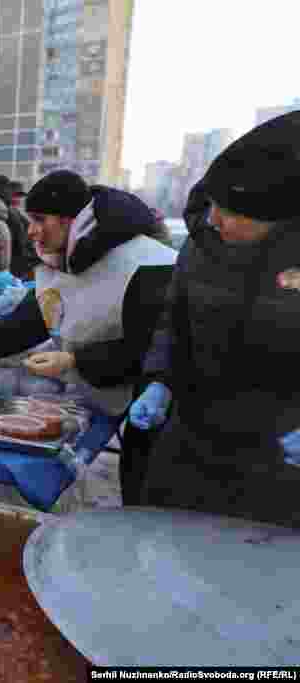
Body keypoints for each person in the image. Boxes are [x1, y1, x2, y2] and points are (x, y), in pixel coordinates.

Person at [0, 170, 178, 504]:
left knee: (146, 491)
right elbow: (31, 319)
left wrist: (75, 360)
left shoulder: (145, 264)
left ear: (74, 221)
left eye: (40, 219)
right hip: (104, 389)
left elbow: (151, 350)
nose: (30, 230)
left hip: (159, 401)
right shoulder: (68, 257)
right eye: (30, 219)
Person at [130, 112, 300, 528]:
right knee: (163, 542)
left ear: (277, 220)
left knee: (254, 574)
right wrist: (160, 380)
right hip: (190, 434)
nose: (212, 219)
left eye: (229, 211)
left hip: (278, 456)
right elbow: (174, 318)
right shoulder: (203, 243)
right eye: (212, 205)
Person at [0, 173, 36, 279]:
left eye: (20, 196)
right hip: (11, 270)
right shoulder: (8, 214)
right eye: (15, 195)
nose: (17, 199)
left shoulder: (15, 215)